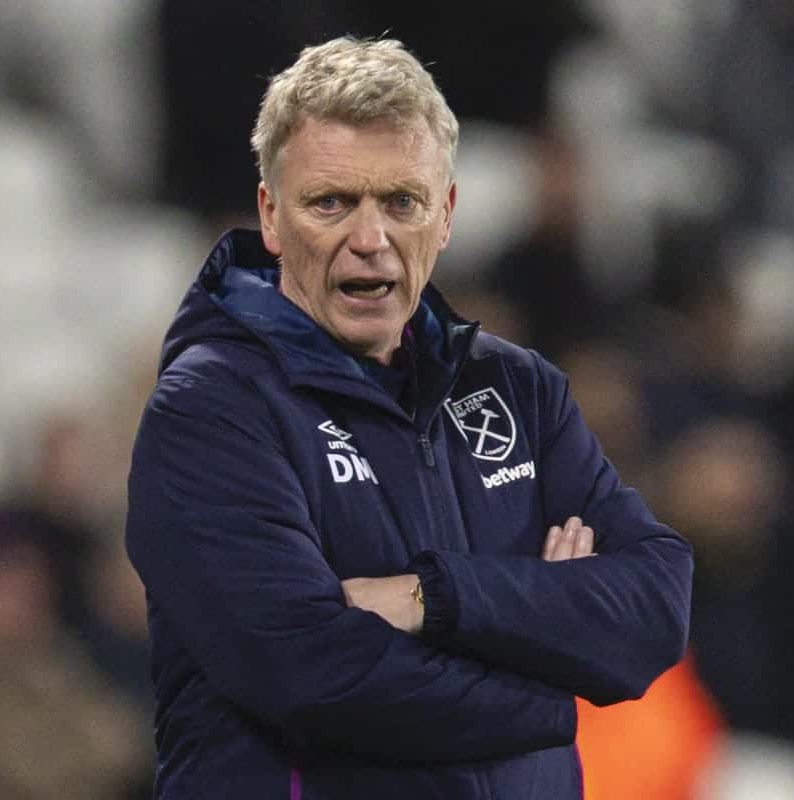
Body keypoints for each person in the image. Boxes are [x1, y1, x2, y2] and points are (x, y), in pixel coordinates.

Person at [126, 36, 693, 799]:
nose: (370, 240)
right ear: (270, 215)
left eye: (402, 202)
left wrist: (432, 598)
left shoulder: (520, 389)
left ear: (447, 213)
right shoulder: (212, 410)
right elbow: (315, 675)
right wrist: (550, 670)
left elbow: (654, 607)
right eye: (331, 203)